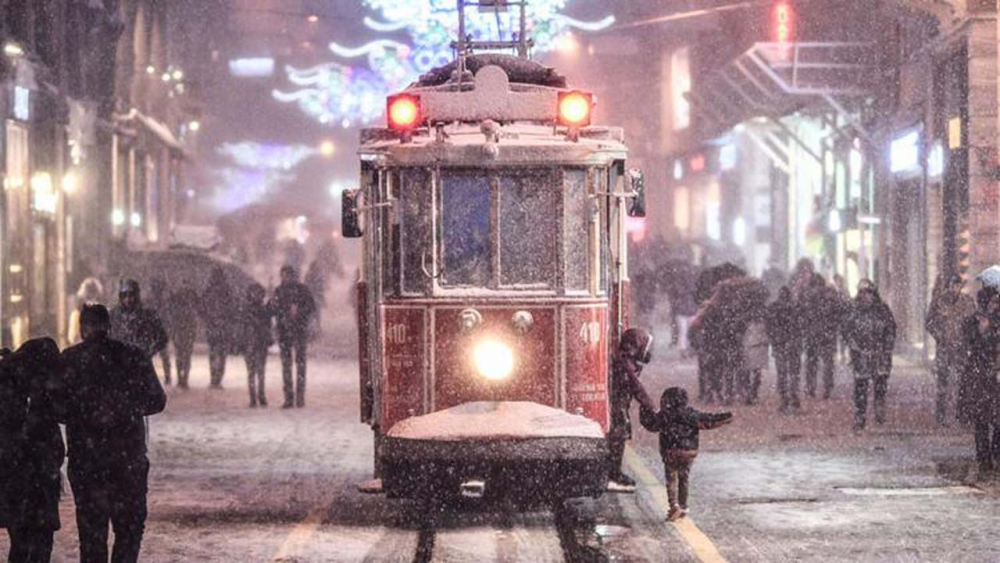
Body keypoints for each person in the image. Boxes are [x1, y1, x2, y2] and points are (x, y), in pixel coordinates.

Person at [60, 304, 167, 563]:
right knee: (129, 530)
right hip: (127, 459)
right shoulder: (133, 356)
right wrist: (125, 409)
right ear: (109, 326)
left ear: (82, 329)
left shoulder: (70, 359)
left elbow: (57, 407)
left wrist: (86, 414)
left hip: (87, 461)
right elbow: (157, 400)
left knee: (92, 534)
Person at [1, 339, 65, 563]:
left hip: (14, 474)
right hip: (39, 474)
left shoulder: (10, 379)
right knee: (40, 542)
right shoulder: (39, 389)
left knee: (20, 541)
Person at [634, 385, 732, 521]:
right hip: (689, 451)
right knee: (684, 477)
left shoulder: (664, 415)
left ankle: (673, 505)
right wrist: (726, 417)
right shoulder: (692, 414)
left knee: (671, 477)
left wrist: (644, 409)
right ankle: (684, 506)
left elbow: (651, 424)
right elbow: (709, 420)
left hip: (670, 451)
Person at [842, 280, 897, 430]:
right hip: (861, 355)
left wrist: (886, 347)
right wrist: (853, 345)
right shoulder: (854, 310)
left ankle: (879, 409)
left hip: (880, 355)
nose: (866, 296)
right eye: (862, 293)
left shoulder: (883, 310)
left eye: (868, 293)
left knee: (880, 386)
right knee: (860, 388)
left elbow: (891, 329)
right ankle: (860, 417)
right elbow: (846, 329)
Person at [958, 287, 1000, 476]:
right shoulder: (971, 321)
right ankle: (984, 459)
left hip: (996, 374)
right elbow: (965, 345)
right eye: (992, 301)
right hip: (978, 375)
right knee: (981, 419)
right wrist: (981, 332)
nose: (995, 305)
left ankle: (996, 454)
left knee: (998, 418)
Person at [926, 274, 976, 425]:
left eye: (958, 285)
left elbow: (973, 324)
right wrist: (939, 336)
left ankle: (961, 415)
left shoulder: (967, 302)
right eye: (953, 285)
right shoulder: (939, 302)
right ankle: (941, 417)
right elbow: (929, 322)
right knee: (942, 383)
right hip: (944, 348)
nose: (955, 288)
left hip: (961, 348)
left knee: (962, 382)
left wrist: (968, 340)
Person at [607, 328, 654, 489]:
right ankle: (613, 472)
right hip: (617, 403)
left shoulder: (627, 360)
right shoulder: (625, 362)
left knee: (619, 435)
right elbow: (635, 386)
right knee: (618, 435)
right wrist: (649, 404)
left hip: (620, 403)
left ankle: (613, 471)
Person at [270, 265, 317, 408]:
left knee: (300, 364)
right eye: (283, 275)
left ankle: (299, 397)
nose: (286, 278)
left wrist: (299, 313)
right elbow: (273, 309)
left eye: (288, 275)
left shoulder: (302, 290)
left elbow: (311, 307)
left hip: (298, 331)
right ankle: (289, 397)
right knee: (287, 366)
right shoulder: (279, 291)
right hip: (285, 332)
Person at [801, 274, 844, 400]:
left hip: (812, 334)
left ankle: (811, 387)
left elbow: (802, 315)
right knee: (828, 361)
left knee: (811, 362)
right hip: (828, 334)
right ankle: (827, 387)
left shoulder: (806, 295)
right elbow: (839, 312)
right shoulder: (830, 295)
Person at [110, 279, 168, 360]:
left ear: (136, 296)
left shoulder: (148, 315)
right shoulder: (113, 315)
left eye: (131, 295)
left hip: (140, 363)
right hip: (119, 363)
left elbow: (162, 338)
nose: (127, 299)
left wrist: (148, 352)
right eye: (125, 296)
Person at [767, 287, 803, 413]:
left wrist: (774, 339)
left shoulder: (773, 308)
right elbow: (800, 325)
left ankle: (784, 399)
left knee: (782, 373)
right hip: (792, 344)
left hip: (780, 344)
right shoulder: (795, 307)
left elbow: (769, 326)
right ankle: (793, 396)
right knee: (793, 373)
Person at [201, 267, 235, 389]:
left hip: (212, 327)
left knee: (213, 353)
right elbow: (232, 309)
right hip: (223, 327)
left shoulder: (208, 290)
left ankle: (213, 378)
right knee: (221, 354)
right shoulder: (227, 291)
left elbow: (202, 308)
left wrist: (209, 319)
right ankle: (218, 379)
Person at [242, 283, 273, 408]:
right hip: (254, 343)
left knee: (257, 372)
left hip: (257, 343)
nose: (257, 296)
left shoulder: (258, 310)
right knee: (255, 372)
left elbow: (268, 326)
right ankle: (256, 397)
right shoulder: (260, 310)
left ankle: (257, 396)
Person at [168, 281, 200, 389]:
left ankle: (180, 378)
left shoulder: (176, 305)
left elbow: (172, 320)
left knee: (179, 355)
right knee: (186, 356)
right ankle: (185, 378)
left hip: (180, 333)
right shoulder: (191, 308)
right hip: (187, 333)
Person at [737, 306, 768, 405]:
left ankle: (752, 394)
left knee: (756, 375)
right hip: (750, 349)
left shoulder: (763, 325)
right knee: (750, 374)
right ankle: (750, 394)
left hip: (757, 350)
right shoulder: (748, 325)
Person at [147, 277, 173, 385]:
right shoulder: (165, 302)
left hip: (151, 331)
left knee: (148, 356)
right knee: (164, 356)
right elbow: (168, 317)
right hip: (160, 331)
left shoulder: (148, 301)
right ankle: (167, 376)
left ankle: (149, 377)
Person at [68, 277, 105, 345]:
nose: (91, 300)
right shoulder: (77, 314)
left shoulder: (103, 313)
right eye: (88, 297)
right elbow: (73, 338)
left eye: (93, 295)